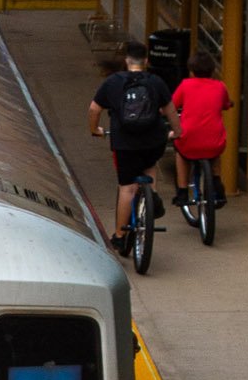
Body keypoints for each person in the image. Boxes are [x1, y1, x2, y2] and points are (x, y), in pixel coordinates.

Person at [89, 40, 173, 250]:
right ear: (146, 61)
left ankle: (119, 235)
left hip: (125, 144)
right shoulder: (156, 82)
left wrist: (95, 129)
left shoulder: (113, 82)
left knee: (127, 188)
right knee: (150, 164)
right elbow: (170, 111)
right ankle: (151, 199)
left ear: (127, 60)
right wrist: (177, 132)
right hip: (153, 141)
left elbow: (94, 109)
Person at [167, 48, 231, 209]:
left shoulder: (186, 85)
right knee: (215, 151)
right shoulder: (220, 86)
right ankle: (216, 182)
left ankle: (182, 191)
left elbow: (172, 106)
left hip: (189, 139)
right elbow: (226, 104)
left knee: (181, 153)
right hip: (213, 141)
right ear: (212, 70)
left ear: (192, 71)